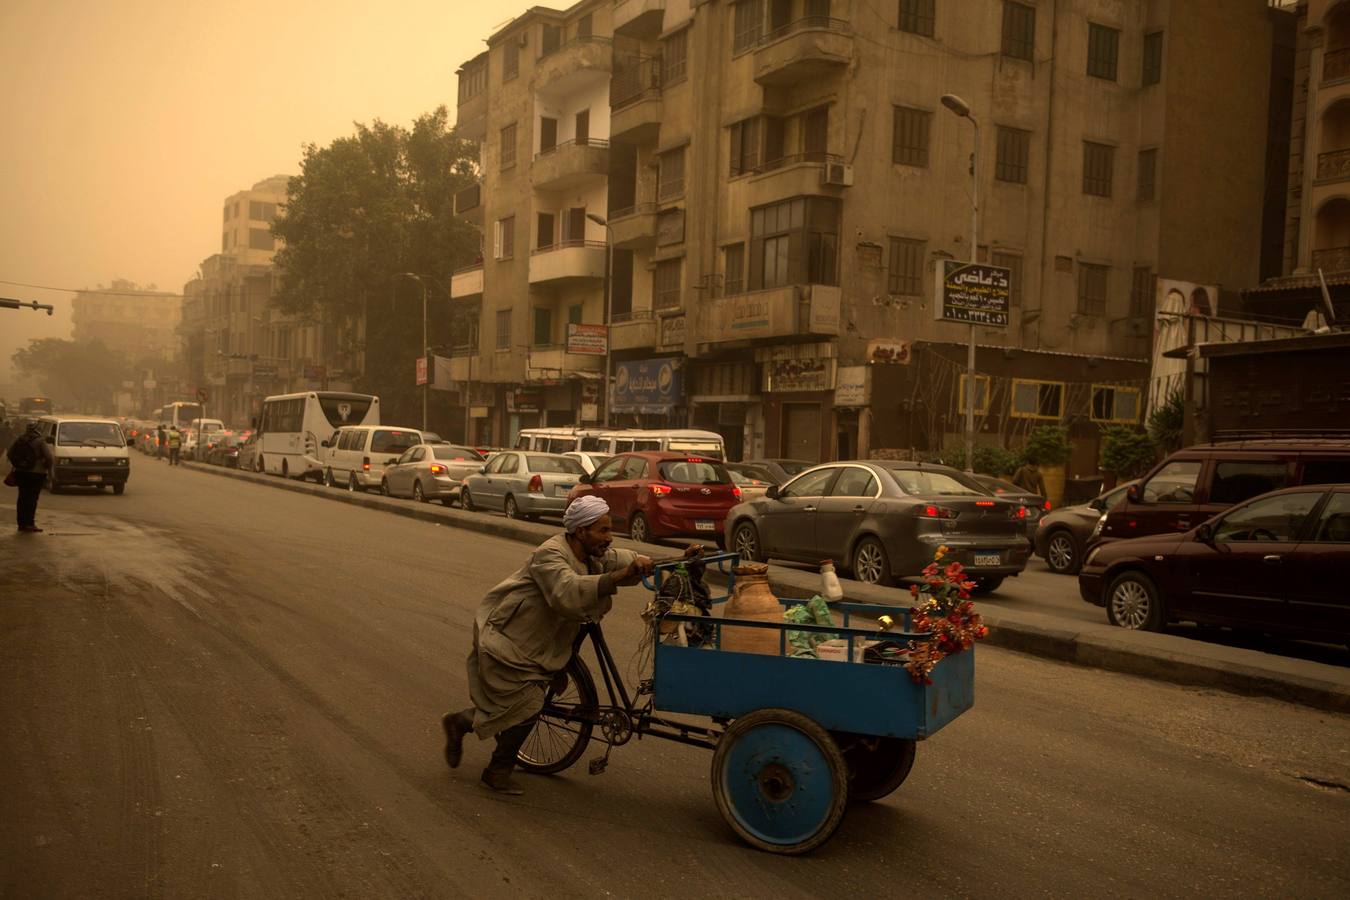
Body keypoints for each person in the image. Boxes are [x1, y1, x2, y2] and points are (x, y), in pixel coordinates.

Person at [441, 495, 697, 795]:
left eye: (609, 529)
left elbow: (624, 560)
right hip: (512, 641)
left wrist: (680, 559)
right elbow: (567, 589)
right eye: (602, 531)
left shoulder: (592, 554)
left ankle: (461, 721)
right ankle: (497, 771)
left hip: (546, 642)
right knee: (528, 705)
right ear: (580, 531)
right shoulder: (549, 554)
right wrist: (619, 575)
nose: (608, 537)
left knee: (516, 705)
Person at [7, 421, 54, 533]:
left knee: (22, 498)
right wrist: (48, 469)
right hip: (36, 474)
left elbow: (9, 454)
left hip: (21, 472)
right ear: (38, 429)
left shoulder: (20, 439)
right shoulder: (40, 441)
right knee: (32, 499)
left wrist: (18, 464)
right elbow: (49, 457)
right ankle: (30, 524)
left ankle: (21, 524)